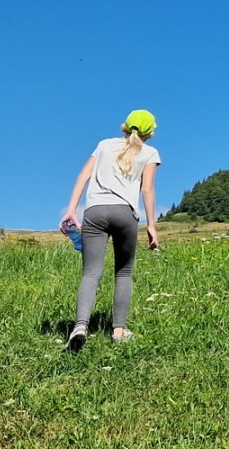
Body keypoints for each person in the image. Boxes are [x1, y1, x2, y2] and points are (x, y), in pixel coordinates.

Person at [60, 109, 162, 350]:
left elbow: (83, 176)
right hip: (125, 214)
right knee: (123, 273)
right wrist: (151, 225)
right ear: (151, 133)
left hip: (95, 211)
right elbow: (147, 189)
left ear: (123, 127)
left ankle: (80, 327)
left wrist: (71, 210)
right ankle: (118, 330)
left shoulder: (104, 145)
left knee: (91, 273)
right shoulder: (150, 153)